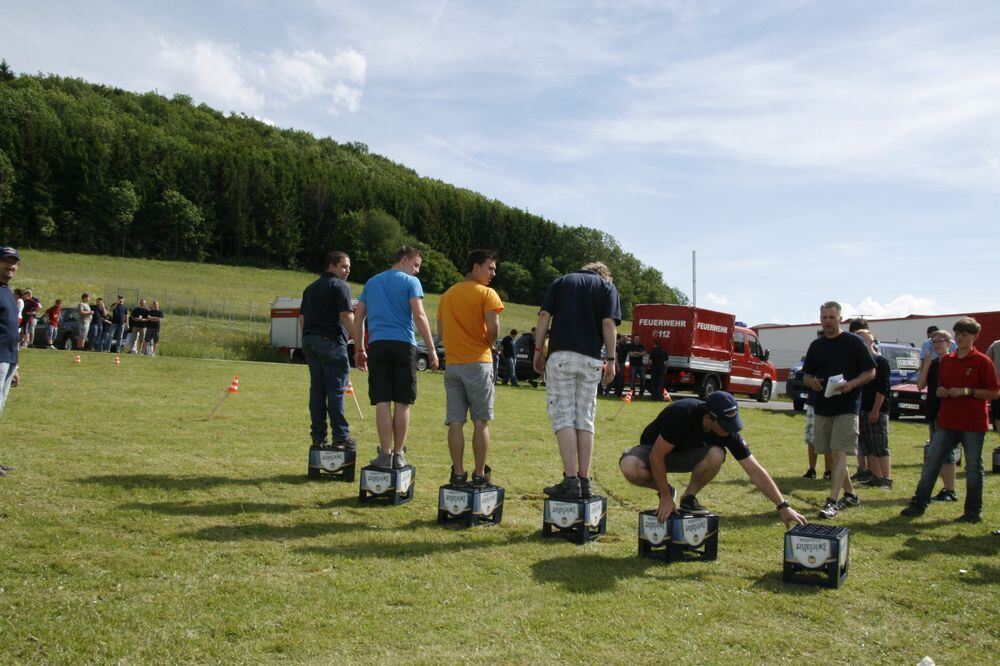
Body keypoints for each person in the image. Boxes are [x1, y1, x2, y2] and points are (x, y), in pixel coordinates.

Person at [620, 392, 808, 526]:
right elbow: (656, 456)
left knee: (717, 454)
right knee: (630, 466)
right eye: (725, 424)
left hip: (685, 455)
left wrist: (783, 506)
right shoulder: (683, 412)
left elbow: (754, 470)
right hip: (654, 452)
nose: (729, 429)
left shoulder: (728, 432)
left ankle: (689, 498)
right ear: (709, 417)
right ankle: (667, 490)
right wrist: (665, 496)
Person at [533, 261, 620, 499]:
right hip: (592, 359)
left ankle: (570, 480)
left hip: (561, 356)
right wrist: (611, 359)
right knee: (585, 418)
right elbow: (609, 323)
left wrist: (538, 350)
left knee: (563, 416)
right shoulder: (607, 287)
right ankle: (584, 479)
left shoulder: (561, 281)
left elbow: (543, 316)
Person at [902, 317, 1000, 523]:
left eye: (965, 334)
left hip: (973, 423)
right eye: (958, 334)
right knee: (932, 462)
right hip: (947, 421)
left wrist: (967, 391)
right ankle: (918, 503)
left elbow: (994, 392)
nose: (960, 338)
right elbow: (939, 386)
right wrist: (941, 391)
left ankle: (972, 512)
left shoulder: (983, 361)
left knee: (973, 468)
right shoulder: (947, 361)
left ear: (974, 337)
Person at [353, 246, 438, 469]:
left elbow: (358, 317)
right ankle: (399, 454)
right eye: (416, 265)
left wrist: (359, 348)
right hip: (403, 345)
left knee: (382, 401)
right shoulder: (411, 283)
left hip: (377, 345)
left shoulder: (371, 282)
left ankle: (385, 454)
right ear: (405, 259)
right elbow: (419, 315)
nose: (417, 271)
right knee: (402, 401)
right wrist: (431, 348)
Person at [802, 301, 876, 519]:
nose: (827, 321)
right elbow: (806, 374)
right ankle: (851, 494)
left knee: (838, 452)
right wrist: (811, 382)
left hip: (847, 407)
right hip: (823, 407)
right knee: (832, 455)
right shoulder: (817, 345)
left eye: (831, 317)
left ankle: (832, 501)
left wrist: (852, 384)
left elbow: (871, 371)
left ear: (840, 318)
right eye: (824, 317)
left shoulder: (853, 343)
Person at [437, 249, 504, 486]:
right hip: (478, 363)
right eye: (490, 268)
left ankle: (457, 473)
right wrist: (488, 343)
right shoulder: (488, 293)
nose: (493, 273)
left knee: (455, 420)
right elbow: (494, 329)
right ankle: (478, 474)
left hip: (453, 365)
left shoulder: (447, 295)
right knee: (480, 421)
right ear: (476, 267)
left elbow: (441, 333)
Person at [301, 251, 357, 451]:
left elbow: (302, 319)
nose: (347, 271)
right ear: (331, 266)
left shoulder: (310, 288)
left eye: (349, 268)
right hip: (331, 343)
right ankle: (340, 437)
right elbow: (346, 315)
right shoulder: (340, 286)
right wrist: (359, 343)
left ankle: (318, 437)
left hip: (309, 341)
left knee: (317, 391)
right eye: (344, 266)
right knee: (336, 391)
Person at [916, 329, 961, 502]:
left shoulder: (955, 363)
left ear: (949, 343)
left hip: (950, 412)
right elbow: (920, 385)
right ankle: (946, 489)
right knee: (937, 451)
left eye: (939, 341)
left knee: (947, 452)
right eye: (933, 342)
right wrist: (926, 365)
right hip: (935, 411)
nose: (936, 345)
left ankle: (950, 490)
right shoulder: (932, 364)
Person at [854, 329, 892, 490]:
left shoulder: (880, 361)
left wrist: (876, 410)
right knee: (867, 445)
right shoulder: (859, 364)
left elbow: (882, 388)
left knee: (880, 446)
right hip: (862, 408)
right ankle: (876, 476)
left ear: (871, 342)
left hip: (877, 409)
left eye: (864, 340)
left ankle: (886, 479)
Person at [0, 247, 22, 477]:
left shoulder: (7, 292)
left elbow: (10, 330)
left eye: (14, 263)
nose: (10, 266)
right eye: (6, 262)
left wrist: (16, 366)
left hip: (8, 359)